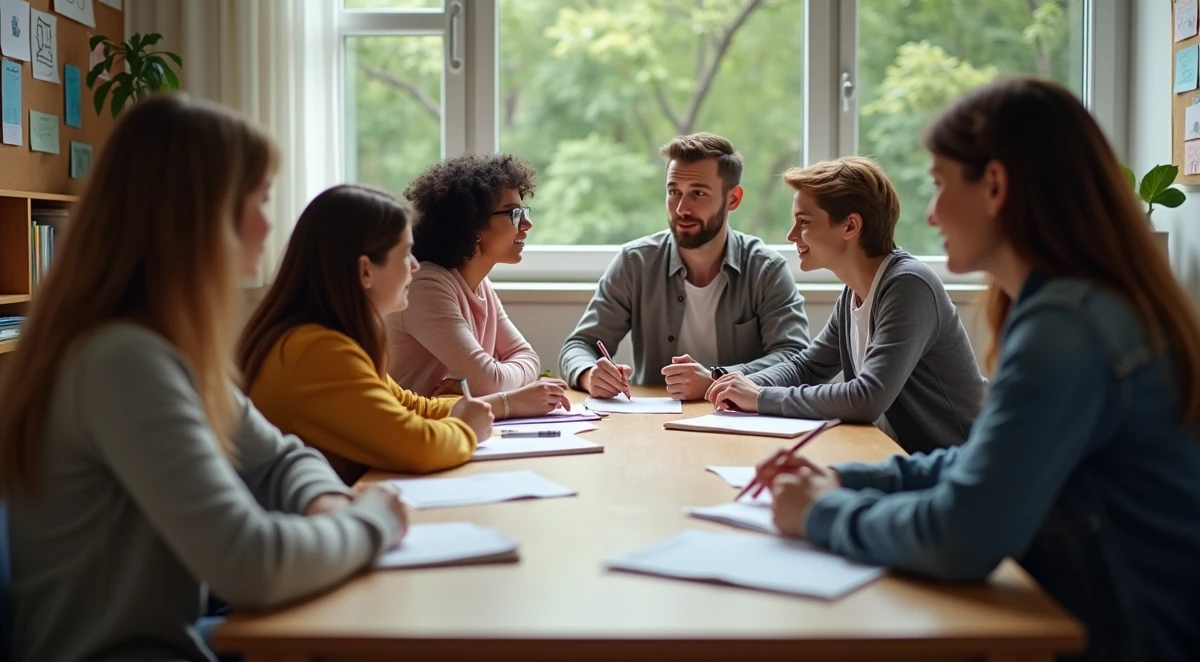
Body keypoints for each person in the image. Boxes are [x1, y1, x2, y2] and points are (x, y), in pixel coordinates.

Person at [757, 78, 1200, 662]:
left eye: (940, 183)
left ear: (995, 185)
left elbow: (962, 536)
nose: (932, 211)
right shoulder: (1070, 305)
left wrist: (821, 514)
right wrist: (845, 477)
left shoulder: (1067, 327)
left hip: (1128, 652)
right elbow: (981, 463)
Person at [0, 96, 408, 662]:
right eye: (261, 199)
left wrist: (329, 501)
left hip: (176, 646)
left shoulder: (159, 346)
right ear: (203, 214)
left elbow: (280, 458)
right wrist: (373, 521)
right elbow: (251, 564)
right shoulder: (122, 361)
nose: (271, 224)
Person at [706, 157, 984, 453]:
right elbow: (807, 366)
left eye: (804, 222)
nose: (791, 236)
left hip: (961, 468)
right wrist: (737, 386)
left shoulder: (909, 285)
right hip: (902, 459)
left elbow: (867, 398)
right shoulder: (854, 293)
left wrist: (760, 397)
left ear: (850, 226)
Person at [239, 184, 496, 484]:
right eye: (405, 254)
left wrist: (475, 409)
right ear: (365, 271)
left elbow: (409, 407)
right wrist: (466, 428)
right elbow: (416, 447)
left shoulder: (327, 338)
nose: (415, 267)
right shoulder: (318, 352)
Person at [558, 132, 811, 401]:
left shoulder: (766, 269)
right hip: (656, 423)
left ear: (733, 199)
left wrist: (717, 378)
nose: (681, 208)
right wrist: (589, 374)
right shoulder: (635, 263)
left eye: (698, 193)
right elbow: (579, 345)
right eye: (674, 192)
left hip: (741, 421)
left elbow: (794, 357)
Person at [386, 155, 569, 415]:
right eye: (513, 213)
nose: (527, 224)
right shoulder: (425, 286)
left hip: (453, 427)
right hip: (414, 433)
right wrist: (494, 388)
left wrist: (478, 386)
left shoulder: (480, 284)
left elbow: (528, 358)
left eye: (524, 212)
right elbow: (488, 380)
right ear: (472, 223)